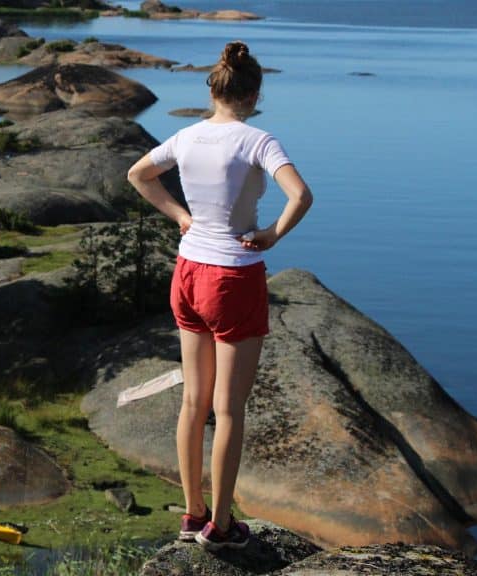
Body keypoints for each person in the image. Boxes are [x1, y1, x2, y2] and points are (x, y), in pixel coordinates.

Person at [127, 40, 313, 551]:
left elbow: (138, 175)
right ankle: (223, 527)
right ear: (253, 95)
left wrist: (181, 216)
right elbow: (302, 196)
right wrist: (271, 235)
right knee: (228, 410)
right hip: (233, 277)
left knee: (193, 401)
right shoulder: (259, 140)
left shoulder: (186, 137)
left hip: (188, 272)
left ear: (214, 91)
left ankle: (192, 515)